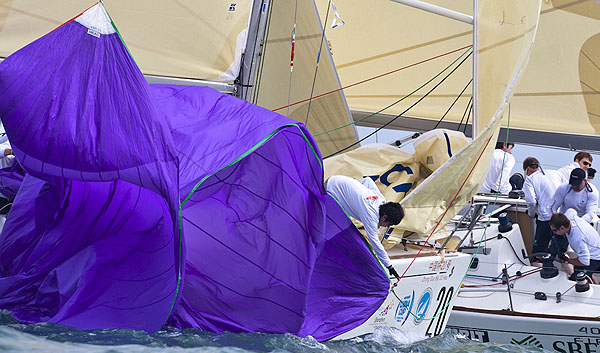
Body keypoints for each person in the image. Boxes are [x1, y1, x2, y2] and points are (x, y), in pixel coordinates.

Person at [325, 175, 405, 279]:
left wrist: (355, 195)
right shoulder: (371, 215)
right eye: (388, 224)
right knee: (335, 231)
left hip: (337, 179)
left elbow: (367, 180)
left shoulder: (380, 200)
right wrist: (389, 266)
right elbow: (375, 243)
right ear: (384, 217)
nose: (386, 226)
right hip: (331, 189)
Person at [522, 157, 560, 265]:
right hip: (560, 216)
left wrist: (531, 213)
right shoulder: (554, 173)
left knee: (538, 253)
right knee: (559, 250)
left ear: (528, 169)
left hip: (545, 217)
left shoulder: (530, 179)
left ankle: (536, 276)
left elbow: (531, 202)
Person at [550, 209, 600, 284]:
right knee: (578, 270)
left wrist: (567, 260)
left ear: (562, 228)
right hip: (592, 249)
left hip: (595, 257)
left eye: (554, 230)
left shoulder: (577, 238)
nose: (554, 233)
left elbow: (585, 262)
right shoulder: (569, 216)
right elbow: (571, 210)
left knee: (576, 279)